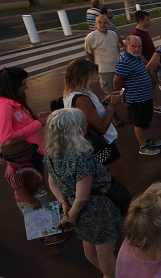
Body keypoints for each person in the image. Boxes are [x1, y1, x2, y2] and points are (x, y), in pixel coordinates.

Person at [45, 108, 123, 278]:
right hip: (99, 210)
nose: (86, 124)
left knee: (90, 253)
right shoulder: (81, 157)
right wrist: (69, 218)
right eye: (82, 123)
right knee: (105, 253)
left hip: (78, 211)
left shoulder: (51, 154)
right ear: (74, 130)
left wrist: (64, 204)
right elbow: (83, 197)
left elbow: (52, 183)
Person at [63, 58, 125, 181]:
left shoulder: (72, 94)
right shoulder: (81, 99)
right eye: (92, 76)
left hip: (92, 144)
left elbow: (92, 113)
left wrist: (105, 102)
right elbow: (101, 129)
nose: (94, 79)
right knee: (117, 178)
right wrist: (113, 105)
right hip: (101, 143)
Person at [2, 137, 69, 245]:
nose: (31, 154)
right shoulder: (14, 172)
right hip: (30, 199)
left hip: (38, 194)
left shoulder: (23, 162)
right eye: (27, 153)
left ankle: (52, 230)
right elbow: (19, 188)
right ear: (16, 158)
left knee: (45, 212)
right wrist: (31, 201)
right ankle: (48, 237)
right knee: (39, 217)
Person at [114, 36, 161, 156]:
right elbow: (117, 81)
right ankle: (143, 146)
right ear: (126, 47)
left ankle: (148, 140)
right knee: (140, 123)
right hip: (137, 99)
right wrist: (121, 95)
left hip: (145, 96)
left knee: (145, 120)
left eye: (139, 46)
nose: (137, 49)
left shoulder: (137, 57)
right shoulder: (124, 61)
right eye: (133, 47)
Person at [0, 67, 50, 173]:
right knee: (36, 185)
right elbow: (6, 137)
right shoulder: (5, 107)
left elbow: (18, 123)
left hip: (31, 150)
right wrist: (38, 123)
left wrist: (35, 118)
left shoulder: (13, 102)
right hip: (25, 153)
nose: (26, 87)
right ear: (12, 87)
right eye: (23, 84)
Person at [85, 15, 124, 127]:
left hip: (118, 68)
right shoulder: (91, 37)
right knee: (110, 92)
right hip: (104, 70)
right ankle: (113, 114)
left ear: (108, 24)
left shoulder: (113, 34)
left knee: (122, 90)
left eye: (105, 23)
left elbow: (117, 48)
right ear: (96, 24)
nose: (102, 25)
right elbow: (89, 53)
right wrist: (96, 65)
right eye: (100, 23)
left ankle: (128, 108)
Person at [132, 10, 161, 114]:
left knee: (152, 84)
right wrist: (148, 63)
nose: (149, 21)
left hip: (150, 61)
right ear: (141, 21)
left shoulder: (143, 31)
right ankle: (154, 105)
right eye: (147, 20)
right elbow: (138, 53)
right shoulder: (137, 34)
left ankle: (153, 103)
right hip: (146, 63)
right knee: (151, 84)